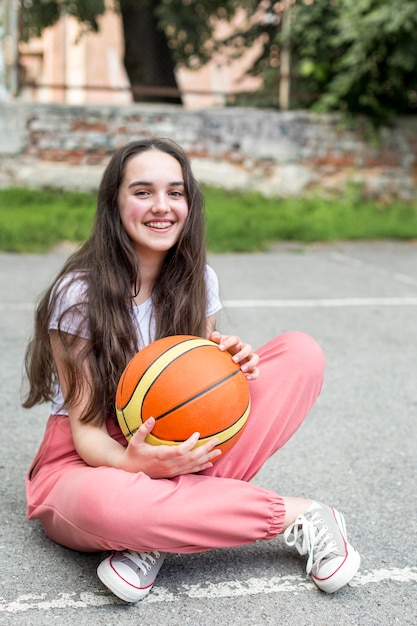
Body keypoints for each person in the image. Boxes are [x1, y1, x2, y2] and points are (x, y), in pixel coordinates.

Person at [23, 138, 360, 603]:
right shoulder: (78, 294)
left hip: (176, 439)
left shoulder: (199, 280)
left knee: (301, 354)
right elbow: (84, 431)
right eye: (142, 192)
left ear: (189, 202)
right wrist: (129, 464)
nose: (162, 206)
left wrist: (228, 366)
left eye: (175, 192)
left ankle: (158, 531)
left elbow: (197, 402)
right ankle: (299, 515)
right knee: (113, 504)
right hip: (91, 459)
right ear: (114, 203)